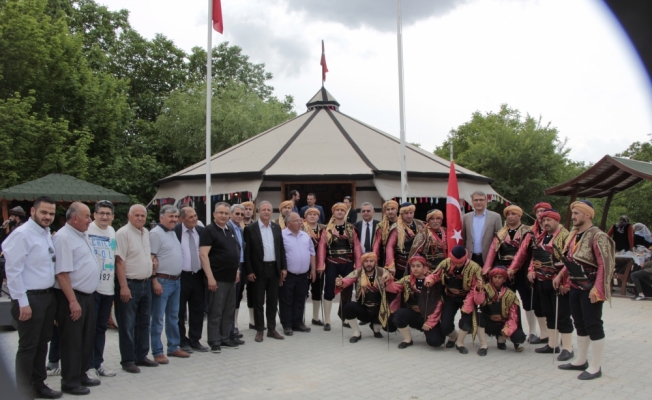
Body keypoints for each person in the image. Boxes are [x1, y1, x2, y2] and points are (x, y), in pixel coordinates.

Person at [3, 196, 62, 399]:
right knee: (28, 346)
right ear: (33, 212)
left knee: (42, 343)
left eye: (51, 214)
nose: (47, 217)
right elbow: (13, 272)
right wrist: (22, 302)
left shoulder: (45, 234)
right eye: (44, 212)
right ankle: (23, 390)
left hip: (46, 297)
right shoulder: (22, 235)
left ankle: (39, 384)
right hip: (28, 298)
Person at [555, 200, 615, 380]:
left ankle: (596, 366)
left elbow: (605, 265)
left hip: (590, 288)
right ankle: (581, 360)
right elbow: (572, 261)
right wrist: (560, 275)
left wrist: (598, 289)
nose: (573, 217)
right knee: (579, 324)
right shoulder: (575, 235)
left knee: (593, 324)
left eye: (576, 213)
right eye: (572, 213)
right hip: (574, 286)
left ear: (588, 215)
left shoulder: (598, 236)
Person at [53, 203, 102, 395]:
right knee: (72, 341)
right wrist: (72, 301)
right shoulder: (63, 238)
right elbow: (62, 273)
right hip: (72, 297)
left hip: (87, 296)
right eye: (87, 216)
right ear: (75, 218)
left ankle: (80, 374)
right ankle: (70, 381)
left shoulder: (80, 235)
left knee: (85, 339)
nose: (90, 220)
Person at [521, 209, 574, 361]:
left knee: (562, 315)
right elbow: (534, 256)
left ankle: (567, 348)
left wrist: (564, 281)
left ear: (557, 221)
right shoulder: (540, 237)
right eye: (544, 221)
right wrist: (531, 270)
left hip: (559, 282)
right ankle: (553, 344)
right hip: (542, 281)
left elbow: (570, 261)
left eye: (549, 220)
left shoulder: (565, 236)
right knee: (548, 313)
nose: (545, 223)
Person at [482, 205, 538, 344]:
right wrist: (487, 268)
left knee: (527, 301)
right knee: (505, 302)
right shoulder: (501, 233)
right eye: (508, 214)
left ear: (520, 216)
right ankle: (506, 330)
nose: (511, 216)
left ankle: (532, 332)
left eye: (514, 214)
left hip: (522, 271)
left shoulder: (528, 231)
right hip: (503, 272)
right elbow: (492, 251)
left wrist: (517, 269)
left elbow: (526, 252)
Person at [114, 204, 157, 373]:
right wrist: (123, 286)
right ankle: (128, 360)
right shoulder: (122, 233)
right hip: (130, 284)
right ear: (129, 216)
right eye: (137, 215)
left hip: (145, 283)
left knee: (144, 322)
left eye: (143, 216)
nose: (140, 218)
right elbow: (119, 261)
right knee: (127, 324)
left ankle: (141, 355)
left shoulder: (146, 232)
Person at [149, 205, 190, 364]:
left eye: (175, 217)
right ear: (161, 218)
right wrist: (154, 280)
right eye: (170, 217)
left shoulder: (172, 232)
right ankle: (157, 351)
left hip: (176, 280)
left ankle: (173, 347)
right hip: (162, 281)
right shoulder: (155, 234)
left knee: (174, 316)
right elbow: (151, 258)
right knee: (158, 318)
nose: (174, 219)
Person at [199, 202, 242, 352]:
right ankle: (214, 341)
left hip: (231, 278)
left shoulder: (229, 229)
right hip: (217, 278)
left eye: (226, 213)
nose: (223, 215)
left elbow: (234, 252)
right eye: (220, 213)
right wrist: (210, 278)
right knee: (216, 311)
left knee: (228, 310)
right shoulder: (209, 230)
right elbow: (203, 255)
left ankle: (225, 338)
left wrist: (237, 271)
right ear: (214, 214)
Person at [424, 246, 482, 354]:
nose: (456, 264)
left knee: (465, 322)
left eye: (459, 263)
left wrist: (468, 304)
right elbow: (435, 275)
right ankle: (453, 336)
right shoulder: (446, 263)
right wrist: (430, 280)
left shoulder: (475, 268)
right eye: (454, 262)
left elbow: (475, 288)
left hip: (466, 296)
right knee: (445, 325)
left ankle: (460, 343)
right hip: (450, 296)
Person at [244, 201, 287, 343]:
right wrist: (249, 270)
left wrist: (283, 268)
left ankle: (271, 329)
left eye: (269, 209)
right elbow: (247, 252)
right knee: (258, 301)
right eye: (264, 210)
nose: (267, 212)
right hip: (258, 270)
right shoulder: (251, 228)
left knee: (273, 301)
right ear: (258, 211)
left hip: (274, 269)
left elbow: (281, 249)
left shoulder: (276, 228)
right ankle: (259, 330)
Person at [510, 201, 553, 344]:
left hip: (553, 273)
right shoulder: (531, 232)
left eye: (544, 211)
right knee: (536, 304)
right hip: (531, 272)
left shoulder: (559, 231)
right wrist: (512, 268)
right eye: (538, 211)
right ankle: (541, 333)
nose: (541, 214)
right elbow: (522, 252)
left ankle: (556, 336)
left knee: (553, 306)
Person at [317, 202, 362, 331]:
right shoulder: (327, 229)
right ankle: (327, 320)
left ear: (345, 212)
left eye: (342, 210)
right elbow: (321, 248)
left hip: (347, 263)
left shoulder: (351, 228)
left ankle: (346, 318)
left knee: (347, 292)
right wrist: (320, 265)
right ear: (333, 212)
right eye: (337, 210)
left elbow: (357, 248)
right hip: (332, 263)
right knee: (329, 290)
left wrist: (358, 266)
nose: (340, 212)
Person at [86, 200, 118, 378]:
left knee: (101, 328)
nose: (105, 216)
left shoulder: (112, 231)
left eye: (108, 213)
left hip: (108, 288)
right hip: (92, 288)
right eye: (101, 213)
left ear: (113, 217)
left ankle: (98, 362)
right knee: (89, 329)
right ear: (94, 215)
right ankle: (88, 365)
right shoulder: (87, 230)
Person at [386, 256, 445, 349]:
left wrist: (430, 322)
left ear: (424, 268)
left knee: (436, 342)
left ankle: (450, 333)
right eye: (413, 266)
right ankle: (407, 339)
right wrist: (388, 280)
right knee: (398, 315)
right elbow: (394, 288)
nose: (415, 269)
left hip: (428, 316)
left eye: (418, 266)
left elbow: (439, 304)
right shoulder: (407, 279)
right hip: (413, 314)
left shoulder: (432, 281)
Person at [175, 207, 209, 353]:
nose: (194, 219)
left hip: (198, 276)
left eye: (195, 216)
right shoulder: (175, 232)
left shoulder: (201, 231)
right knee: (180, 311)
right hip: (182, 276)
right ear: (182, 219)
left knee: (198, 310)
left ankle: (195, 340)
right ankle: (182, 341)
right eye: (190, 217)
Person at [335, 253, 389, 343]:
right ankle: (356, 332)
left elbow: (391, 282)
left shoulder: (382, 272)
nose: (368, 264)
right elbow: (347, 279)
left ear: (375, 262)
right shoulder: (358, 272)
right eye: (366, 261)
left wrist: (389, 279)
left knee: (392, 322)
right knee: (348, 307)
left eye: (371, 261)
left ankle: (375, 327)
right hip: (364, 309)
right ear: (363, 263)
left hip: (379, 310)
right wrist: (341, 282)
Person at [474, 266, 526, 356]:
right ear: (491, 278)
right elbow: (478, 301)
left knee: (520, 338)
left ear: (504, 279)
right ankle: (484, 345)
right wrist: (479, 290)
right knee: (478, 317)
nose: (497, 280)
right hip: (488, 321)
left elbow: (514, 316)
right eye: (495, 277)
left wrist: (507, 329)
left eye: (500, 277)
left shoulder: (510, 294)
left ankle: (501, 339)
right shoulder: (485, 288)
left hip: (503, 323)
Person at [280, 212, 315, 335]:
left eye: (300, 221)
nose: (300, 223)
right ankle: (287, 324)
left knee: (300, 299)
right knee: (287, 300)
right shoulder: (282, 235)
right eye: (297, 221)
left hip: (303, 275)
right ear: (289, 223)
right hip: (287, 275)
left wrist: (313, 270)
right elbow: (279, 255)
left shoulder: (305, 236)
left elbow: (312, 253)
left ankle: (298, 322)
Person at [385, 202, 426, 280]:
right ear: (401, 214)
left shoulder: (421, 225)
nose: (409, 216)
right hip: (402, 264)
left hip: (419, 263)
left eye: (411, 213)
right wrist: (391, 265)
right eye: (406, 213)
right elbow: (389, 246)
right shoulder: (396, 227)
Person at [462, 191, 502, 265]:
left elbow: (499, 239)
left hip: (488, 258)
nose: (478, 202)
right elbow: (464, 238)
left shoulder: (496, 217)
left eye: (481, 200)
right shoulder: (466, 217)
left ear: (486, 201)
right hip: (470, 258)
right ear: (472, 202)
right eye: (476, 200)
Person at [302, 207, 327, 326]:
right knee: (303, 291)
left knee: (317, 290)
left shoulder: (324, 229)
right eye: (310, 214)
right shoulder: (301, 228)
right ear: (305, 217)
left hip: (320, 264)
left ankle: (315, 318)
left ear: (319, 216)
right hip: (304, 264)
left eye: (315, 214)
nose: (312, 216)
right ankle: (300, 317)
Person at [227, 204, 246, 343]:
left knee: (236, 298)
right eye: (237, 214)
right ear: (230, 214)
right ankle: (228, 331)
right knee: (229, 300)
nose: (239, 216)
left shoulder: (241, 228)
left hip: (241, 265)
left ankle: (232, 328)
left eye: (241, 214)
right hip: (231, 267)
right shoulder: (227, 228)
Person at [239, 201, 257, 328]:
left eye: (251, 209)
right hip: (239, 263)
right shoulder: (236, 226)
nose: (248, 211)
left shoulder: (256, 226)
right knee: (237, 293)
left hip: (252, 263)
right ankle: (234, 323)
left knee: (252, 292)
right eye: (246, 209)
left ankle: (252, 320)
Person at [372, 200, 399, 267]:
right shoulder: (381, 225)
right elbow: (377, 244)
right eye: (388, 209)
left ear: (397, 210)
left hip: (401, 256)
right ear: (385, 212)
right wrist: (374, 259)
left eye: (392, 209)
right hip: (385, 256)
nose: (390, 211)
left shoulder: (402, 224)